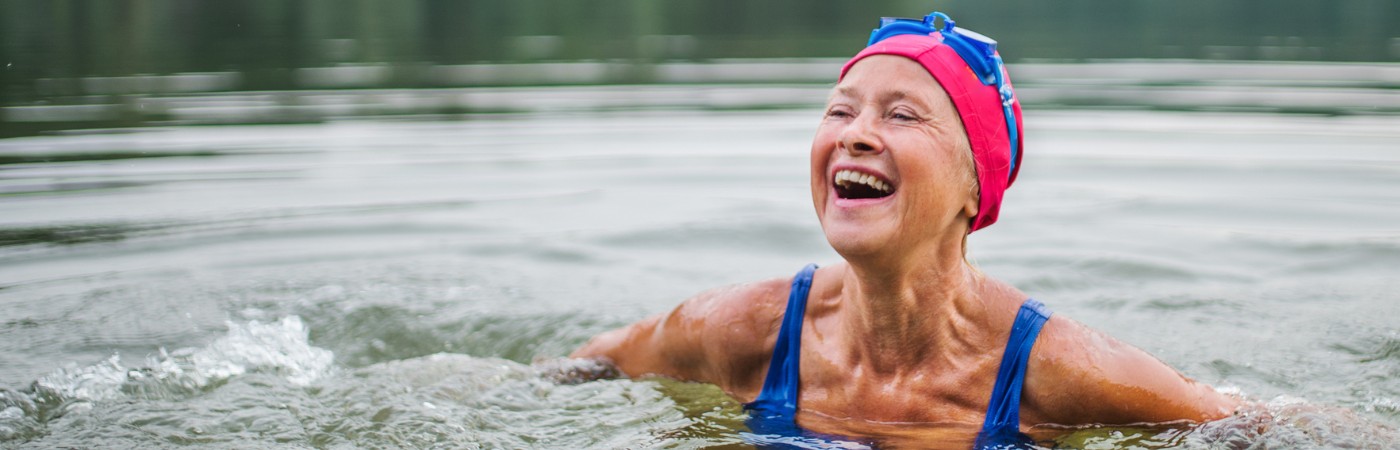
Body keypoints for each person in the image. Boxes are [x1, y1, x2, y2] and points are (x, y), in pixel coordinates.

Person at [571, 11, 1241, 446]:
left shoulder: (1059, 371)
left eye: (902, 116)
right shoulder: (742, 329)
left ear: (977, 183)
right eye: (840, 111)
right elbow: (586, 370)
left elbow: (1257, 425)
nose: (856, 135)